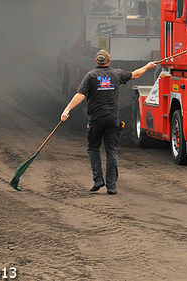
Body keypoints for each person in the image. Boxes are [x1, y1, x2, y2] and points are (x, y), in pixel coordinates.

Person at [61, 50, 157, 195]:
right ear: (109, 61)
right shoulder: (116, 74)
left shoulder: (91, 76)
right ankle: (111, 186)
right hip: (113, 119)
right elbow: (136, 74)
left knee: (93, 148)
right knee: (111, 149)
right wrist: (148, 66)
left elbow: (80, 95)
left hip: (96, 119)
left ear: (95, 61)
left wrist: (67, 110)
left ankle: (98, 180)